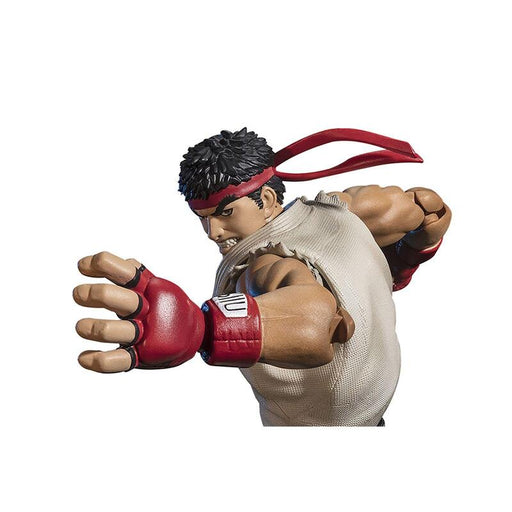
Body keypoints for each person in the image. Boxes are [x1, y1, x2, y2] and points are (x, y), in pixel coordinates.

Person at [73, 127, 451, 426]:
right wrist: (395, 267)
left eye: (226, 213)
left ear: (267, 200)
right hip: (374, 417)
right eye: (203, 218)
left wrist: (201, 329)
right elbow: (429, 212)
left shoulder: (260, 264)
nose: (213, 233)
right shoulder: (345, 209)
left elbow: (317, 323)